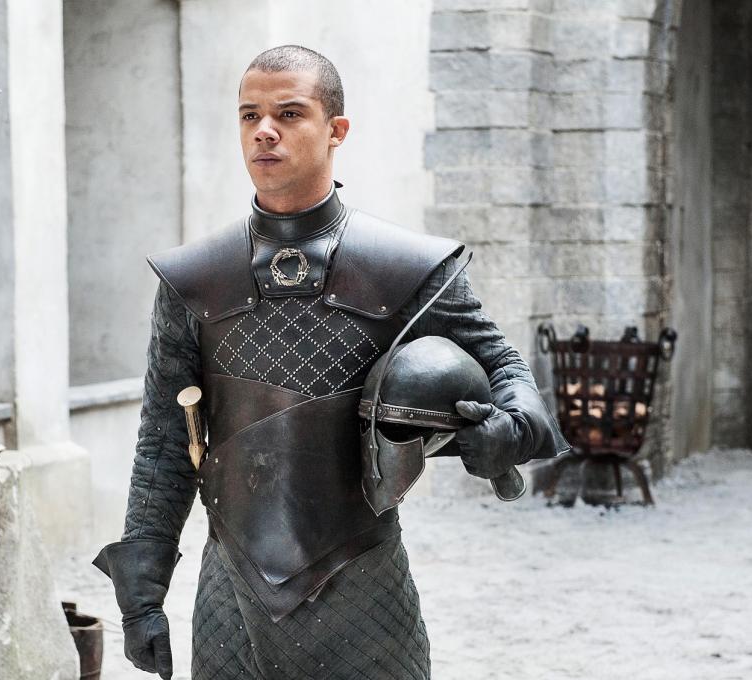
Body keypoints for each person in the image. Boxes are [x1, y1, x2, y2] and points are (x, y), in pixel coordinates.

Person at [94, 45, 570, 680]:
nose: (264, 131)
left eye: (289, 113)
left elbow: (507, 368)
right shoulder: (195, 279)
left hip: (366, 584)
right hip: (231, 596)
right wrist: (142, 595)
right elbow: (163, 440)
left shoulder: (403, 267)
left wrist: (511, 429)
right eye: (250, 115)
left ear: (336, 129)